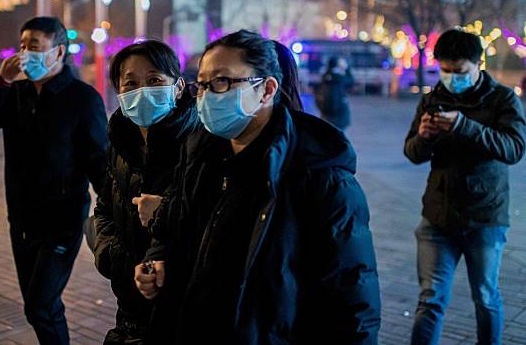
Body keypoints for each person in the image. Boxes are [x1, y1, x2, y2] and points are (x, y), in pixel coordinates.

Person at [135, 30, 381, 344]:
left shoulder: (320, 178)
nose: (208, 95)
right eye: (202, 85)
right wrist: (157, 259)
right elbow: (179, 231)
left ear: (266, 90)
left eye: (222, 82)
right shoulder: (202, 157)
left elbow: (352, 302)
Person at [0, 16, 108, 345]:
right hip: (21, 219)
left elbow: (99, 161)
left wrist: (113, 211)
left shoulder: (82, 99)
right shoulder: (16, 93)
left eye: (34, 46)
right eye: (22, 46)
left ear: (58, 52)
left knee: (40, 306)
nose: (25, 53)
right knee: (38, 306)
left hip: (62, 221)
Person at [404, 28, 526, 345]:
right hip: (437, 216)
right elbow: (412, 153)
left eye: (459, 71)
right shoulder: (433, 99)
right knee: (430, 299)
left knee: (485, 297)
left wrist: (463, 125)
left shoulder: (502, 99)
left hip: (484, 216)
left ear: (477, 64)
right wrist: (424, 137)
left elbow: (514, 149)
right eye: (445, 70)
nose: (451, 77)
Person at [84, 40, 200, 344]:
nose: (143, 91)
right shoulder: (121, 144)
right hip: (128, 308)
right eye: (131, 84)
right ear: (119, 92)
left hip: (183, 309)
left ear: (177, 87)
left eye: (154, 81)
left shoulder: (202, 145)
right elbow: (105, 209)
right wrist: (115, 260)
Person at [315, 56, 354, 130]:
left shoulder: (325, 77)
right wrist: (346, 68)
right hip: (339, 114)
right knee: (339, 137)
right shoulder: (340, 78)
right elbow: (351, 81)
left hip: (326, 113)